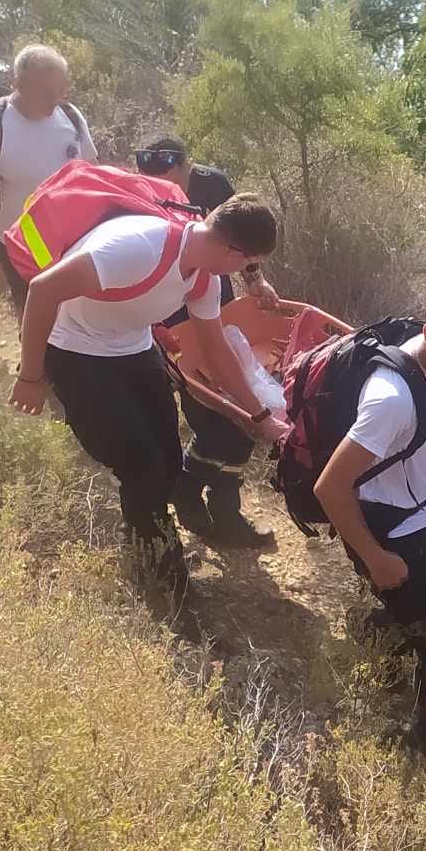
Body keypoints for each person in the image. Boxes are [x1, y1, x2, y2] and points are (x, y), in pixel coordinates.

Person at [7, 192, 289, 612]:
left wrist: (260, 414)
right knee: (140, 469)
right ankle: (161, 575)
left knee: (168, 462)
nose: (246, 272)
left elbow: (217, 351)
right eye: (248, 263)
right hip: (75, 352)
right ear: (231, 251)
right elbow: (43, 290)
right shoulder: (135, 248)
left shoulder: (203, 276)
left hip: (134, 349)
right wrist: (31, 375)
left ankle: (153, 541)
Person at [315, 276, 426, 780]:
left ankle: (382, 631)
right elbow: (331, 488)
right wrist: (375, 559)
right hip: (391, 533)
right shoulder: (389, 398)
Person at [139, 135, 284, 548]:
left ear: (187, 166)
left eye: (171, 175)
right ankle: (189, 489)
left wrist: (256, 280)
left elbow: (247, 237)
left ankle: (224, 509)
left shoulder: (213, 186)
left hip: (211, 306)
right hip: (170, 321)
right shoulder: (147, 201)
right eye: (154, 175)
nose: (167, 183)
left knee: (238, 416)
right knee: (209, 414)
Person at [0, 45, 95, 307]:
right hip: (23, 240)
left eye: (61, 90)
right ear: (18, 83)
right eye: (46, 92)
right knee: (38, 309)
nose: (55, 99)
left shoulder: (70, 117)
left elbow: (93, 172)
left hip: (74, 237)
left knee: (77, 311)